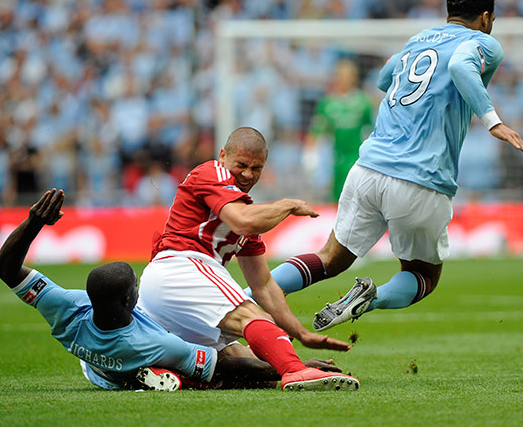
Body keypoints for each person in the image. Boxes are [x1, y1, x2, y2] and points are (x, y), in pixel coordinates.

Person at [260, 0, 523, 331]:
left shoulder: (417, 40)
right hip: (420, 178)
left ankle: (246, 296)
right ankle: (368, 299)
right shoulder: (483, 42)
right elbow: (461, 68)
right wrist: (492, 121)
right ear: (485, 17)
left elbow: (383, 78)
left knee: (329, 258)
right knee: (422, 275)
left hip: (368, 169)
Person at [0, 188, 344, 391]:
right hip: (139, 360)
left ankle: (153, 375)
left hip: (96, 371)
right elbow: (225, 368)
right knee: (216, 368)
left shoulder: (68, 309)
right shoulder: (155, 341)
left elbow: (5, 268)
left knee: (218, 343)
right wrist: (282, 368)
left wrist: (35, 221)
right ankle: (161, 376)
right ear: (132, 300)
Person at [137, 127, 360, 391]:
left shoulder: (246, 209)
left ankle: (167, 376)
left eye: (256, 168)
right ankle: (296, 372)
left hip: (168, 293)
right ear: (223, 155)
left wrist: (300, 334)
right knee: (251, 317)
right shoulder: (211, 172)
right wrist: (287, 205)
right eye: (241, 165)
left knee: (241, 364)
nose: (247, 174)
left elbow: (263, 285)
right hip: (180, 268)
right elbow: (242, 221)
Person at [308, 58, 375, 202]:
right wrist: (311, 157)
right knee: (337, 200)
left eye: (349, 75)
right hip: (335, 160)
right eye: (341, 75)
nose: (345, 79)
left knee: (358, 201)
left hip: (357, 159)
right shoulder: (327, 103)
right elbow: (317, 131)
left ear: (355, 77)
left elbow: (371, 131)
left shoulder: (364, 102)